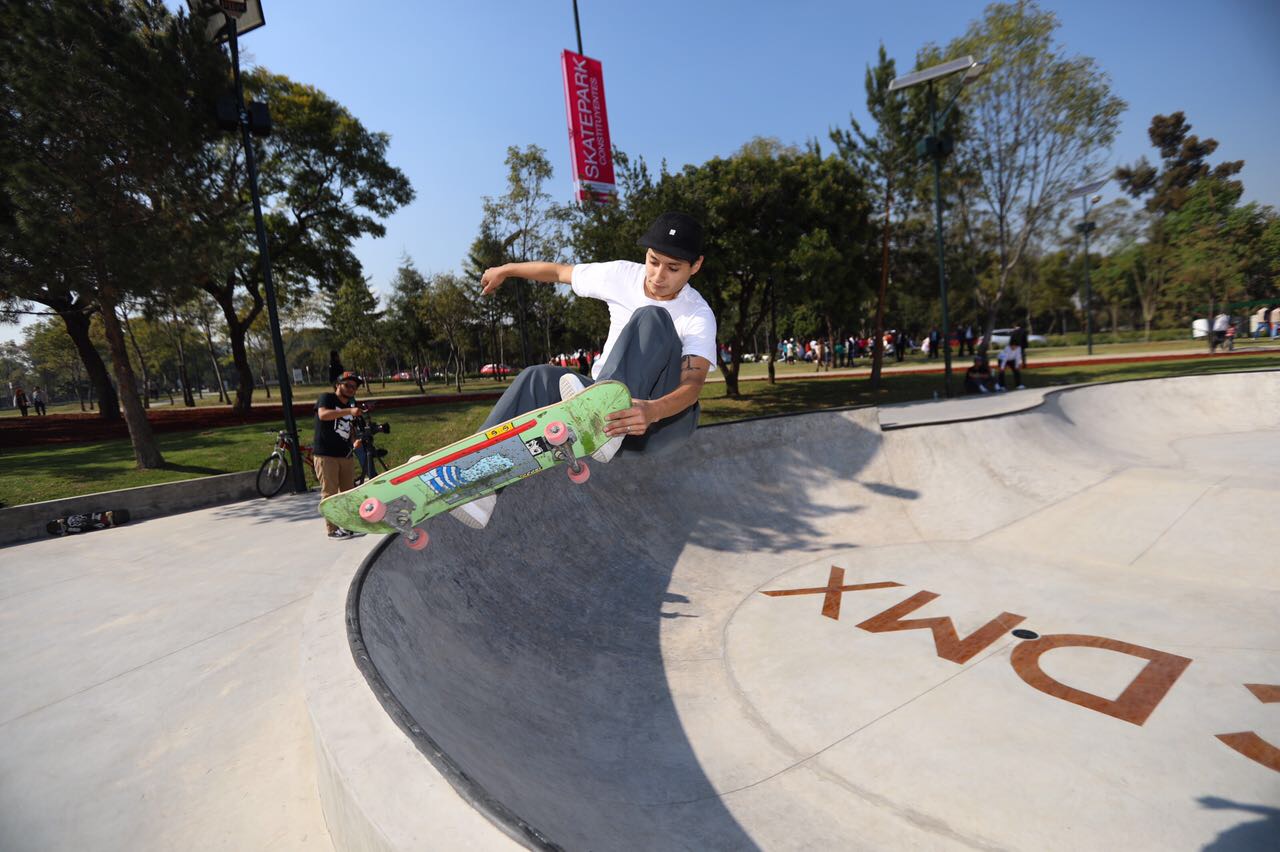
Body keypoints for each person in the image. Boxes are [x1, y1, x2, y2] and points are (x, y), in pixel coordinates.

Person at [456, 211, 717, 529]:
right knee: (536, 378)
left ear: (696, 266)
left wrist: (653, 410)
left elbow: (692, 384)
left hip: (662, 421)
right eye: (653, 261)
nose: (658, 276)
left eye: (673, 268)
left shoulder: (698, 314)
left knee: (653, 317)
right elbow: (558, 271)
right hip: (605, 403)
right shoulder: (622, 274)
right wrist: (506, 270)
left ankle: (602, 411)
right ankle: (478, 482)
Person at [314, 371, 367, 540]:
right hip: (326, 454)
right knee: (330, 493)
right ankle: (332, 529)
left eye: (354, 387)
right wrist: (349, 411)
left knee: (348, 493)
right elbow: (323, 415)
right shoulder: (327, 398)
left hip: (345, 454)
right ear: (338, 385)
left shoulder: (351, 405)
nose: (351, 389)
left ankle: (349, 526)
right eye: (348, 385)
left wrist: (354, 442)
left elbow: (349, 428)